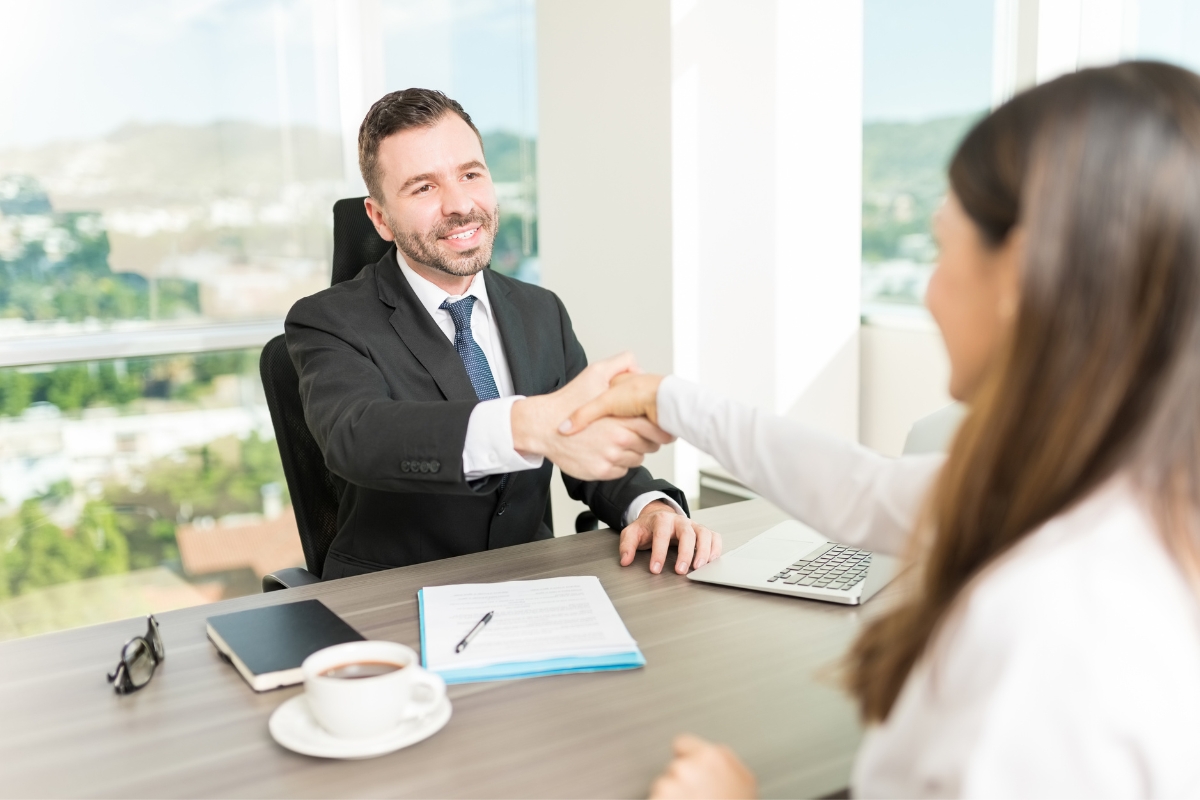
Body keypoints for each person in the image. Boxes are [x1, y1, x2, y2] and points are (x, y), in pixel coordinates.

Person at [565, 62, 1200, 797]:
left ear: (1021, 278)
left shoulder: (1050, 623)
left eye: (941, 246)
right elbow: (864, 491)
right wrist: (668, 400)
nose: (929, 291)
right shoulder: (1109, 491)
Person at [286, 89, 720, 578]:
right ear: (380, 218)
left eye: (470, 174)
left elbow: (585, 441)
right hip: (393, 596)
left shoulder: (540, 311)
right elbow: (358, 436)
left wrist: (649, 507)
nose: (459, 204)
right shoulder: (327, 320)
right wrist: (527, 423)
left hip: (532, 584)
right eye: (423, 187)